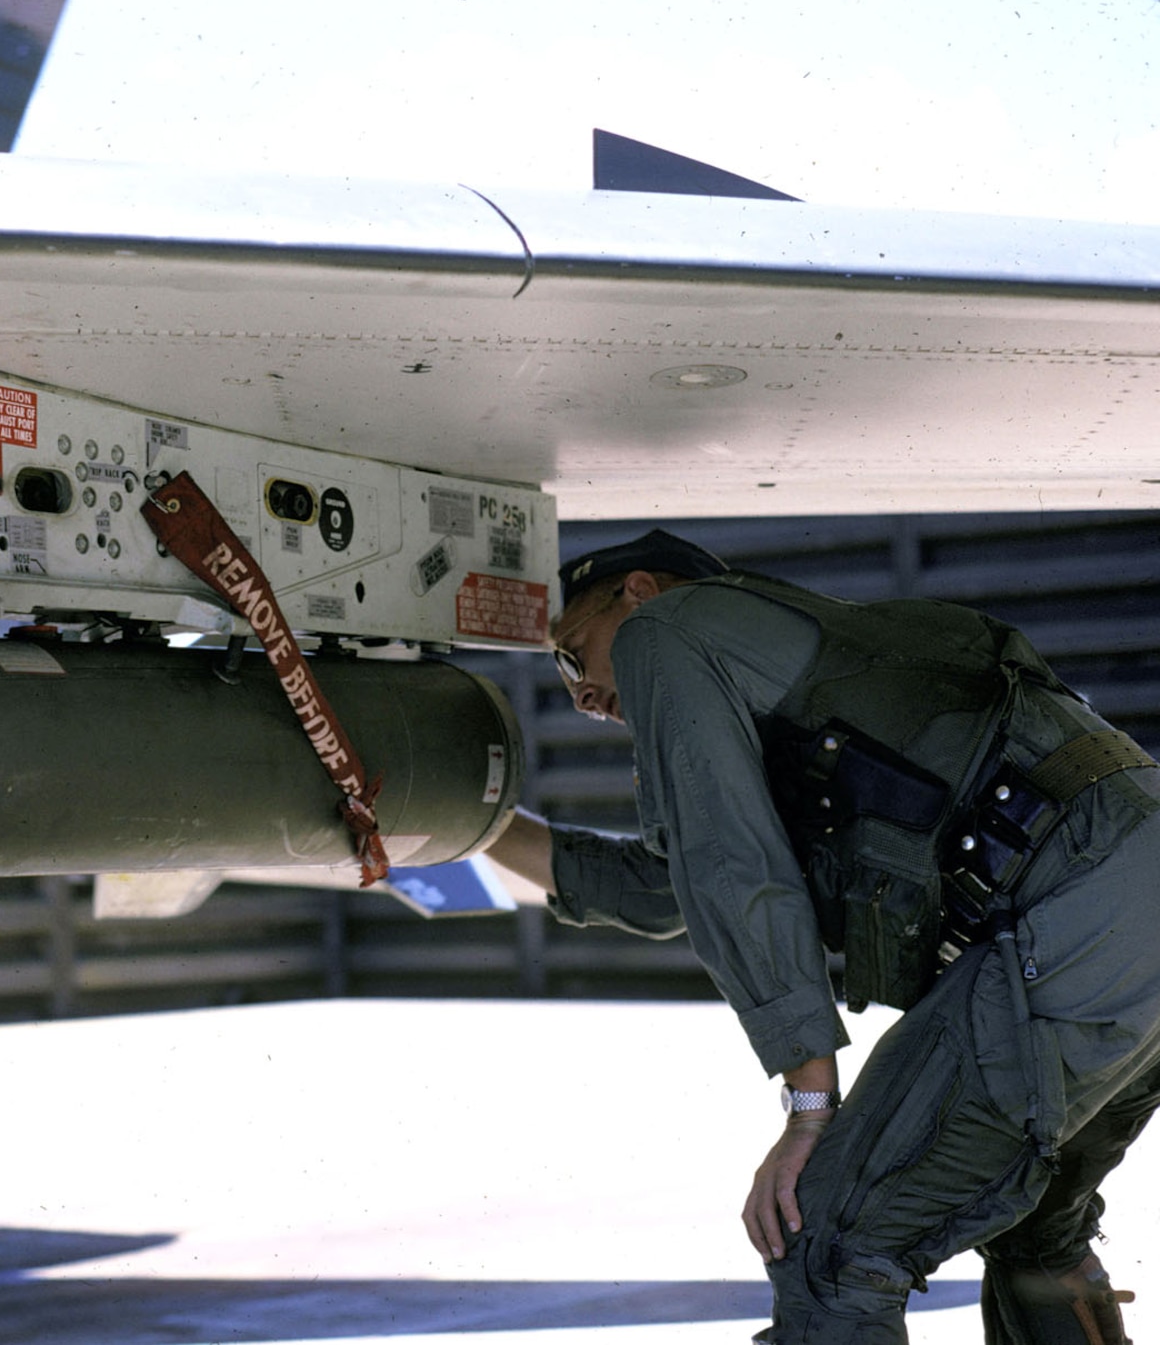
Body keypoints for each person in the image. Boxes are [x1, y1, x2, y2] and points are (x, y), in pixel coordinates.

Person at [486, 529, 1160, 1345]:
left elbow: (727, 862)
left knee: (830, 1243)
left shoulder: (665, 632)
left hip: (1081, 909)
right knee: (1032, 1232)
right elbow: (672, 886)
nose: (581, 695)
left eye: (572, 653)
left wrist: (810, 1105)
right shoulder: (801, 683)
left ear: (636, 591)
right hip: (1120, 898)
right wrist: (473, 824)